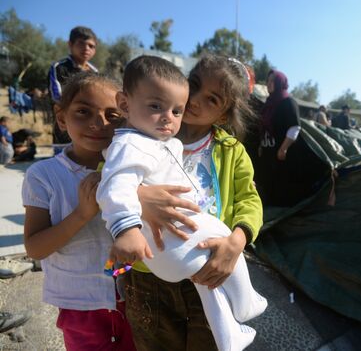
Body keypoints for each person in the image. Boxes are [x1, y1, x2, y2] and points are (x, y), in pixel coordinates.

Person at [107, 54, 266, 351]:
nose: (196, 100)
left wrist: (236, 242)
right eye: (194, 85)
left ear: (223, 115)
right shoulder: (140, 134)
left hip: (212, 270)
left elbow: (250, 200)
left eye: (213, 99)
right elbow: (107, 181)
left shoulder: (231, 151)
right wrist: (140, 196)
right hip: (147, 276)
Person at [21, 72, 137, 350]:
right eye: (83, 111)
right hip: (79, 306)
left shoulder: (132, 171)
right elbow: (35, 249)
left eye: (113, 115)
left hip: (135, 299)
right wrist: (82, 215)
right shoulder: (43, 175)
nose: (98, 123)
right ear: (61, 118)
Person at [256, 69, 314, 206]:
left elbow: (294, 127)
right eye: (268, 81)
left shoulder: (288, 102)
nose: (269, 84)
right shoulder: (268, 104)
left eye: (272, 81)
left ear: (279, 83)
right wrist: (260, 145)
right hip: (268, 150)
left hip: (282, 153)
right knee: (268, 180)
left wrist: (283, 148)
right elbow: (263, 127)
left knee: (282, 181)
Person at [48, 26, 98, 154]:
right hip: (66, 125)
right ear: (70, 44)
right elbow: (57, 95)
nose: (86, 48)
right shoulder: (59, 67)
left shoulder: (95, 72)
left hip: (90, 125)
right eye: (81, 43)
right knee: (63, 162)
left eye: (91, 46)